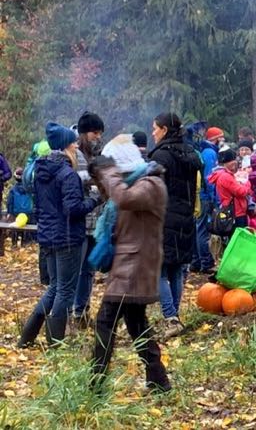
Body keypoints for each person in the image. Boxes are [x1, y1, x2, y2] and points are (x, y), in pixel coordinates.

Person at [88, 135, 171, 393]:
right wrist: (99, 174)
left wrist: (107, 171)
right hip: (130, 264)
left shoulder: (151, 184)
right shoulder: (137, 182)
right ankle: (158, 381)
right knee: (136, 325)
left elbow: (123, 199)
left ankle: (95, 384)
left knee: (105, 321)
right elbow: (116, 200)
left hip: (135, 266)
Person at [18, 123, 98, 348]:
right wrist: (95, 200)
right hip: (68, 238)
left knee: (55, 287)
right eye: (73, 143)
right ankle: (55, 342)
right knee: (65, 290)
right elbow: (73, 209)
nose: (76, 146)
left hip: (48, 237)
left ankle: (28, 335)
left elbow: (41, 207)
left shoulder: (41, 171)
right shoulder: (67, 174)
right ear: (65, 146)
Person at [147, 113, 202, 339]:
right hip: (186, 216)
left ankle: (171, 317)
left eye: (155, 128)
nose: (153, 133)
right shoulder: (190, 153)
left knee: (159, 269)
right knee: (177, 268)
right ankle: (175, 317)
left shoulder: (160, 156)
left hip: (163, 217)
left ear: (164, 130)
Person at [72, 110, 105, 328]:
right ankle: (71, 312)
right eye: (95, 133)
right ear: (85, 133)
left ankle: (82, 311)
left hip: (95, 222)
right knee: (76, 270)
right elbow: (75, 183)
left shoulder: (97, 155)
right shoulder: (74, 154)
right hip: (80, 221)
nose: (98, 137)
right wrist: (95, 181)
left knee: (89, 271)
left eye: (100, 133)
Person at [187, 122, 218, 275]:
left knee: (195, 228)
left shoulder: (198, 150)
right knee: (202, 230)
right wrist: (214, 199)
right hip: (204, 196)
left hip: (195, 194)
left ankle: (195, 261)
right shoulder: (209, 153)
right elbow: (210, 178)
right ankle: (206, 262)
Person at [208, 148, 250, 229]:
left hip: (231, 210)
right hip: (236, 212)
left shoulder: (221, 174)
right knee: (239, 235)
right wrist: (247, 183)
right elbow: (241, 192)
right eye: (233, 160)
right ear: (227, 162)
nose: (235, 162)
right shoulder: (226, 176)